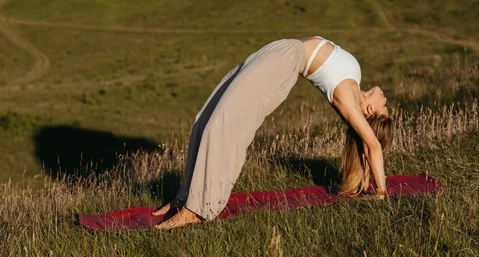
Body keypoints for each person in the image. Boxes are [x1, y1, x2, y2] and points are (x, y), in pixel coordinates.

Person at [152, 36, 394, 229]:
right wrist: (364, 179)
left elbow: (371, 144)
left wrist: (381, 192)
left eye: (385, 106)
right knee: (204, 119)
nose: (386, 99)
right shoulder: (355, 79)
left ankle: (199, 209)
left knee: (225, 123)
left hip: (285, 61)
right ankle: (186, 196)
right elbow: (364, 145)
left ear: (371, 110)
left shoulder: (349, 100)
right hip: (280, 49)